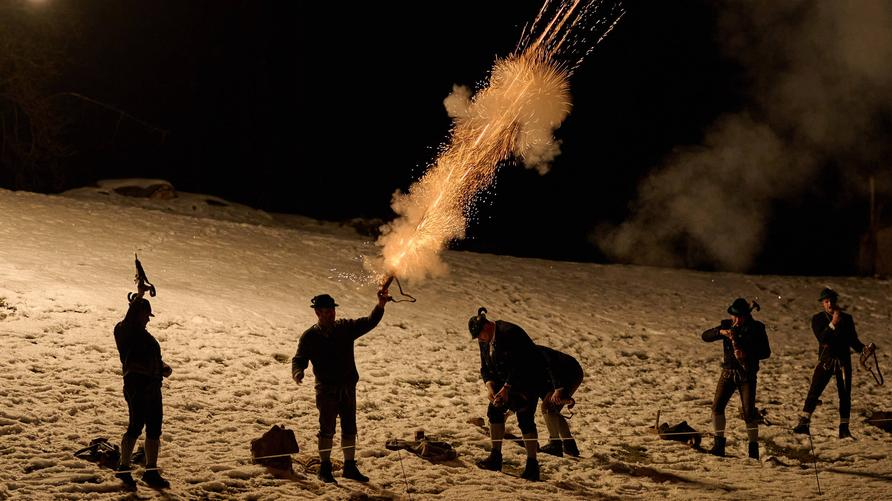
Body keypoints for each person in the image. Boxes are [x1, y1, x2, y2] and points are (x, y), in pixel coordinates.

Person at [291, 288, 390, 484]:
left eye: (332, 311)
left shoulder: (345, 328)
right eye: (326, 311)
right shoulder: (309, 336)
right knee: (327, 429)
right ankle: (325, 467)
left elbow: (369, 322)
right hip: (326, 389)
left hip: (347, 387)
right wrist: (298, 371)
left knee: (349, 428)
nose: (330, 314)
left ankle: (350, 467)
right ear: (317, 313)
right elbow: (300, 358)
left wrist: (380, 305)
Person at [469, 307, 554, 481]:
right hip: (504, 380)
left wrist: (507, 388)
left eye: (480, 336)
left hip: (528, 380)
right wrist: (490, 386)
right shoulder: (484, 340)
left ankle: (532, 465)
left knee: (525, 418)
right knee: (494, 411)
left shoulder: (510, 333)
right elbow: (485, 366)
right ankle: (495, 457)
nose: (479, 340)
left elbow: (522, 365)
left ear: (487, 327)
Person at [793, 288, 872, 439]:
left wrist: (864, 349)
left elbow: (853, 341)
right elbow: (822, 339)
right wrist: (833, 323)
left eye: (832, 301)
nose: (830, 304)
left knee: (845, 396)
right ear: (823, 303)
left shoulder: (847, 319)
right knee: (814, 391)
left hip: (843, 362)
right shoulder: (818, 319)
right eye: (826, 301)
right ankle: (804, 423)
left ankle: (844, 428)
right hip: (826, 362)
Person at [113, 296, 172, 489]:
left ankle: (151, 471)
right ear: (137, 314)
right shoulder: (126, 333)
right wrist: (138, 296)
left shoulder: (148, 339)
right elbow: (129, 321)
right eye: (146, 315)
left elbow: (155, 359)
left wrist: (163, 367)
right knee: (135, 426)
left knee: (154, 429)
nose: (148, 319)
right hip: (137, 388)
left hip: (153, 388)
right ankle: (123, 468)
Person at [701, 298, 770, 460]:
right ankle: (719, 446)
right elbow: (705, 336)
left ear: (746, 316)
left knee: (749, 413)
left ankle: (753, 452)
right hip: (728, 373)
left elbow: (765, 352)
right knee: (717, 408)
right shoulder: (727, 326)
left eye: (739, 317)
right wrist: (720, 332)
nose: (736, 320)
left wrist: (746, 354)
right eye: (734, 316)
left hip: (747, 375)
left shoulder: (757, 328)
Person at [536, 346, 583, 458]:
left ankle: (555, 444)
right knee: (551, 408)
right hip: (560, 375)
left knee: (547, 407)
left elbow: (552, 366)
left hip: (568, 372)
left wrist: (558, 388)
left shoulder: (533, 352)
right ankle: (569, 445)